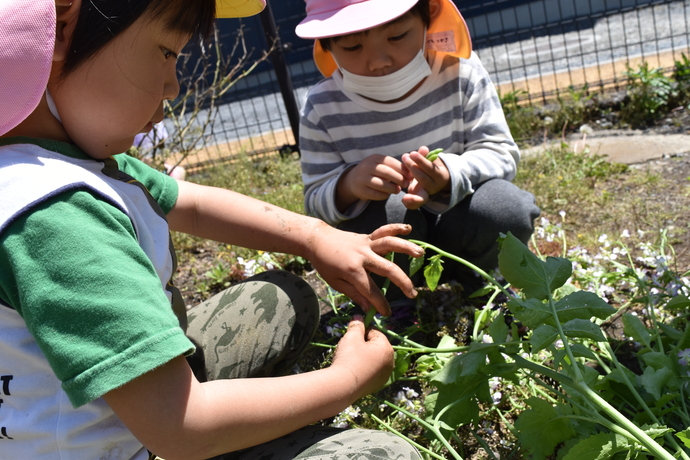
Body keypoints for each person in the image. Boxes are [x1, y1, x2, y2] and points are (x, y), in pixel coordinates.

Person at [0, 1, 426, 459]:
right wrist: (348, 381)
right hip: (136, 441)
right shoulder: (59, 217)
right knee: (381, 455)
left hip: (125, 408)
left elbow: (194, 205)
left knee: (281, 299)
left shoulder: (48, 163)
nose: (173, 84)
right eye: (166, 52)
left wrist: (314, 236)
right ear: (62, 30)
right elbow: (182, 427)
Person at [296, 0, 541, 297]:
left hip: (461, 224)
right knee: (394, 207)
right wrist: (348, 185)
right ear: (327, 46)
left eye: (396, 36)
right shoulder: (323, 106)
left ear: (428, 18)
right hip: (390, 248)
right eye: (352, 47)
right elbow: (314, 199)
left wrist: (451, 173)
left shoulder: (460, 73)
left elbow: (500, 151)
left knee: (506, 207)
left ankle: (479, 286)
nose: (378, 61)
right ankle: (396, 300)